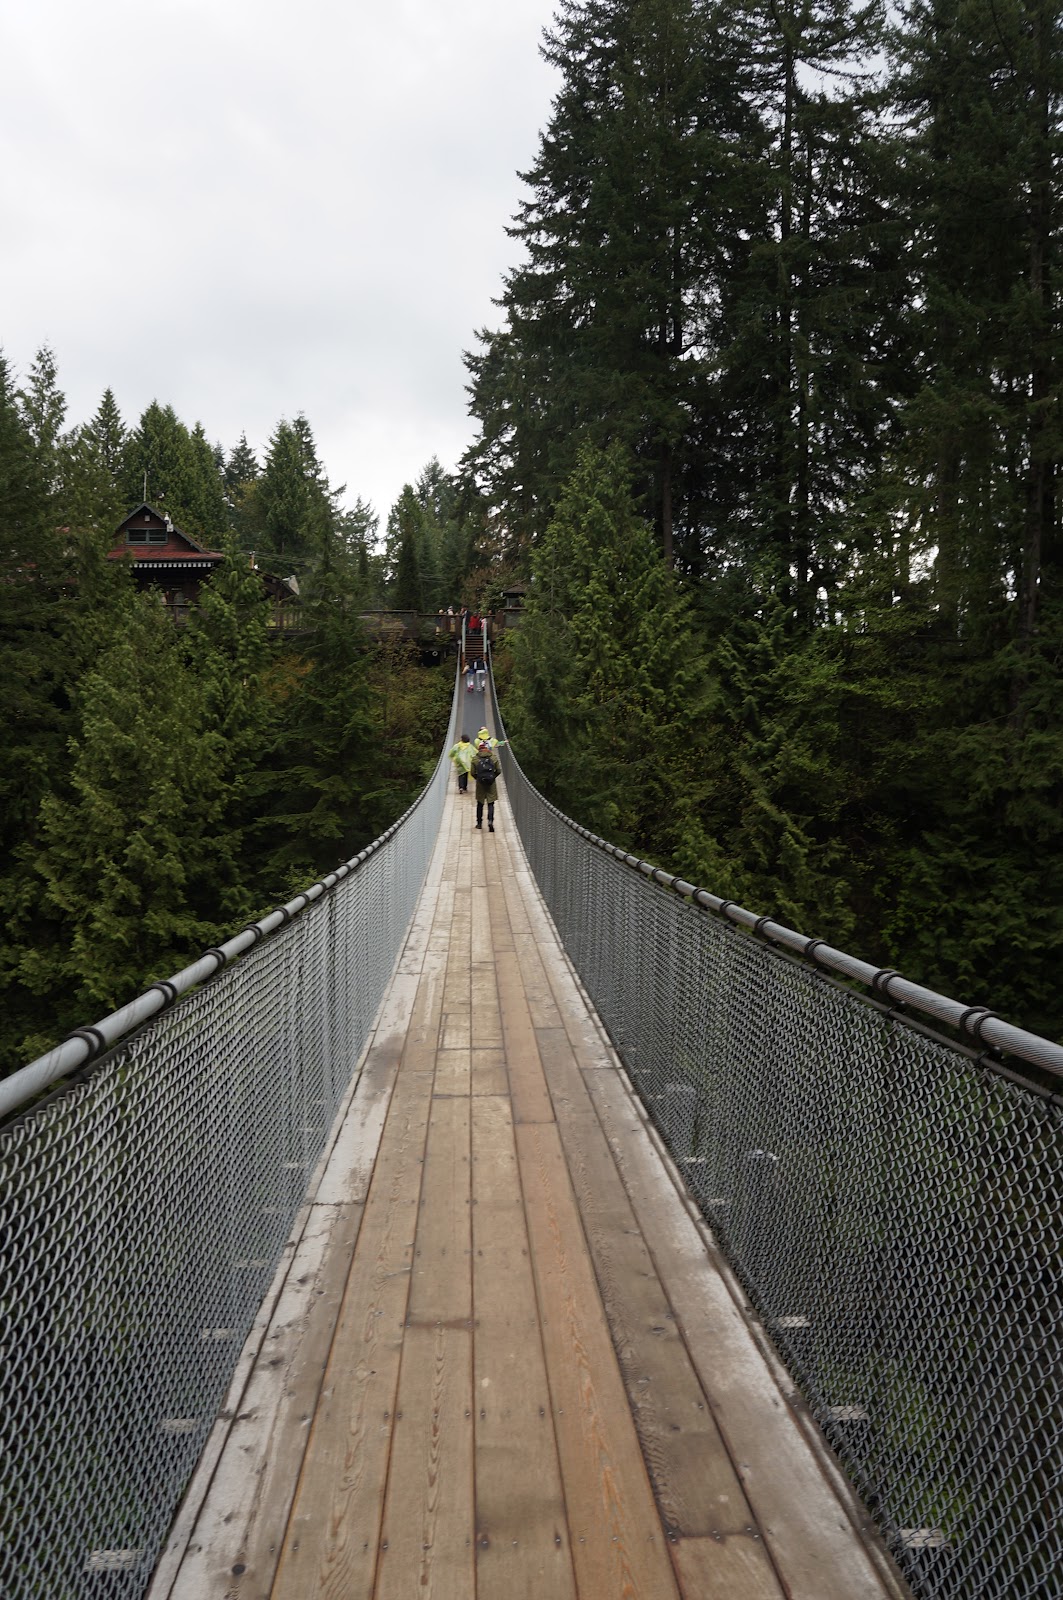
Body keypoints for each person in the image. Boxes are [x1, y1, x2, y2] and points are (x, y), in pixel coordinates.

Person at [472, 740, 500, 832]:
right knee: (491, 803)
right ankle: (490, 821)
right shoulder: (494, 758)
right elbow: (499, 771)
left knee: (480, 803)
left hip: (480, 784)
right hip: (491, 784)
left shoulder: (475, 759)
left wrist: (478, 778)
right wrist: (492, 777)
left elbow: (472, 772)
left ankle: (479, 823)